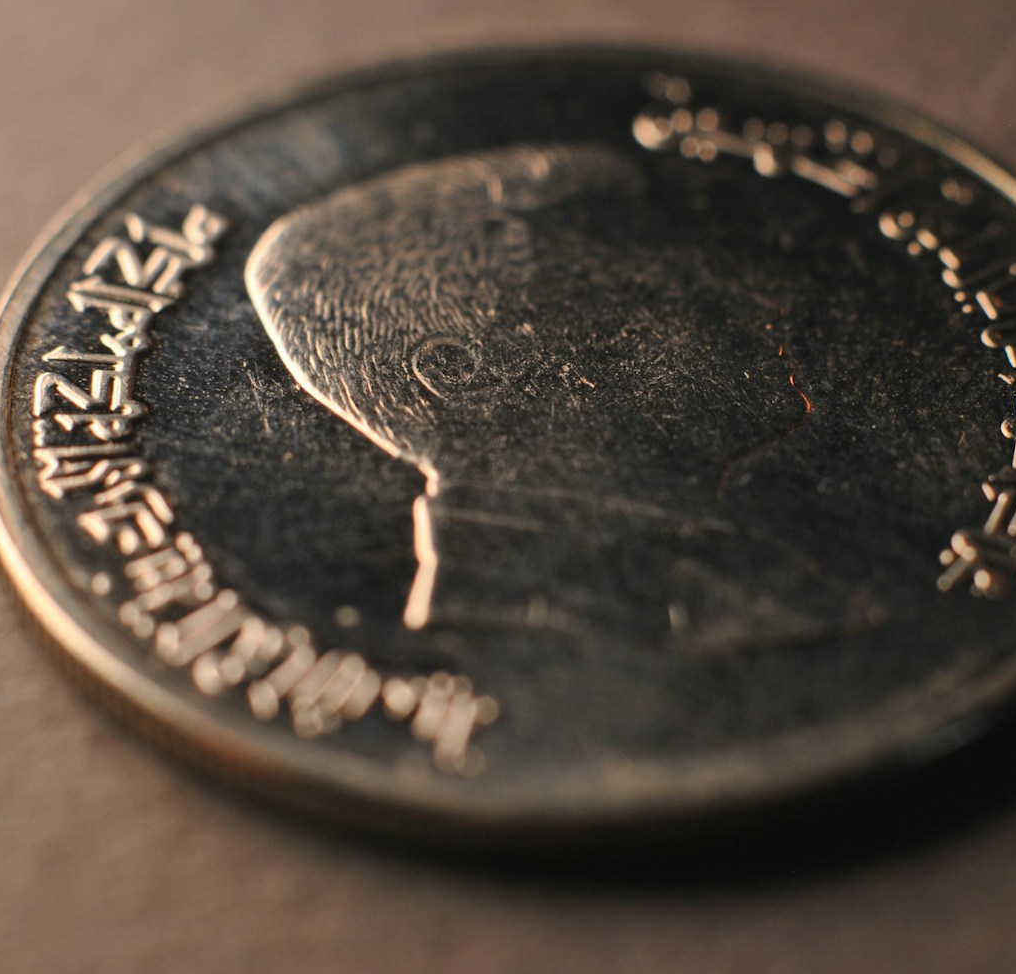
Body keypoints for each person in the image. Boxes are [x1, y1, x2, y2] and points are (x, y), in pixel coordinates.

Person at [247, 143, 840, 651]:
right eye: (649, 279)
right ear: (465, 370)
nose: (759, 299)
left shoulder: (749, 587)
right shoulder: (544, 620)